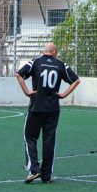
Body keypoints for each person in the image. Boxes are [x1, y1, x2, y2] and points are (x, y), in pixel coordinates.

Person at [16, 43, 80, 184]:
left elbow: (19, 74)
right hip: (52, 109)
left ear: (43, 51)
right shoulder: (61, 65)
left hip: (36, 107)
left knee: (30, 137)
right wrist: (63, 94)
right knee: (49, 141)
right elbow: (76, 80)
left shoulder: (36, 61)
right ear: (55, 52)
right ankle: (46, 175)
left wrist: (27, 92)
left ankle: (34, 169)